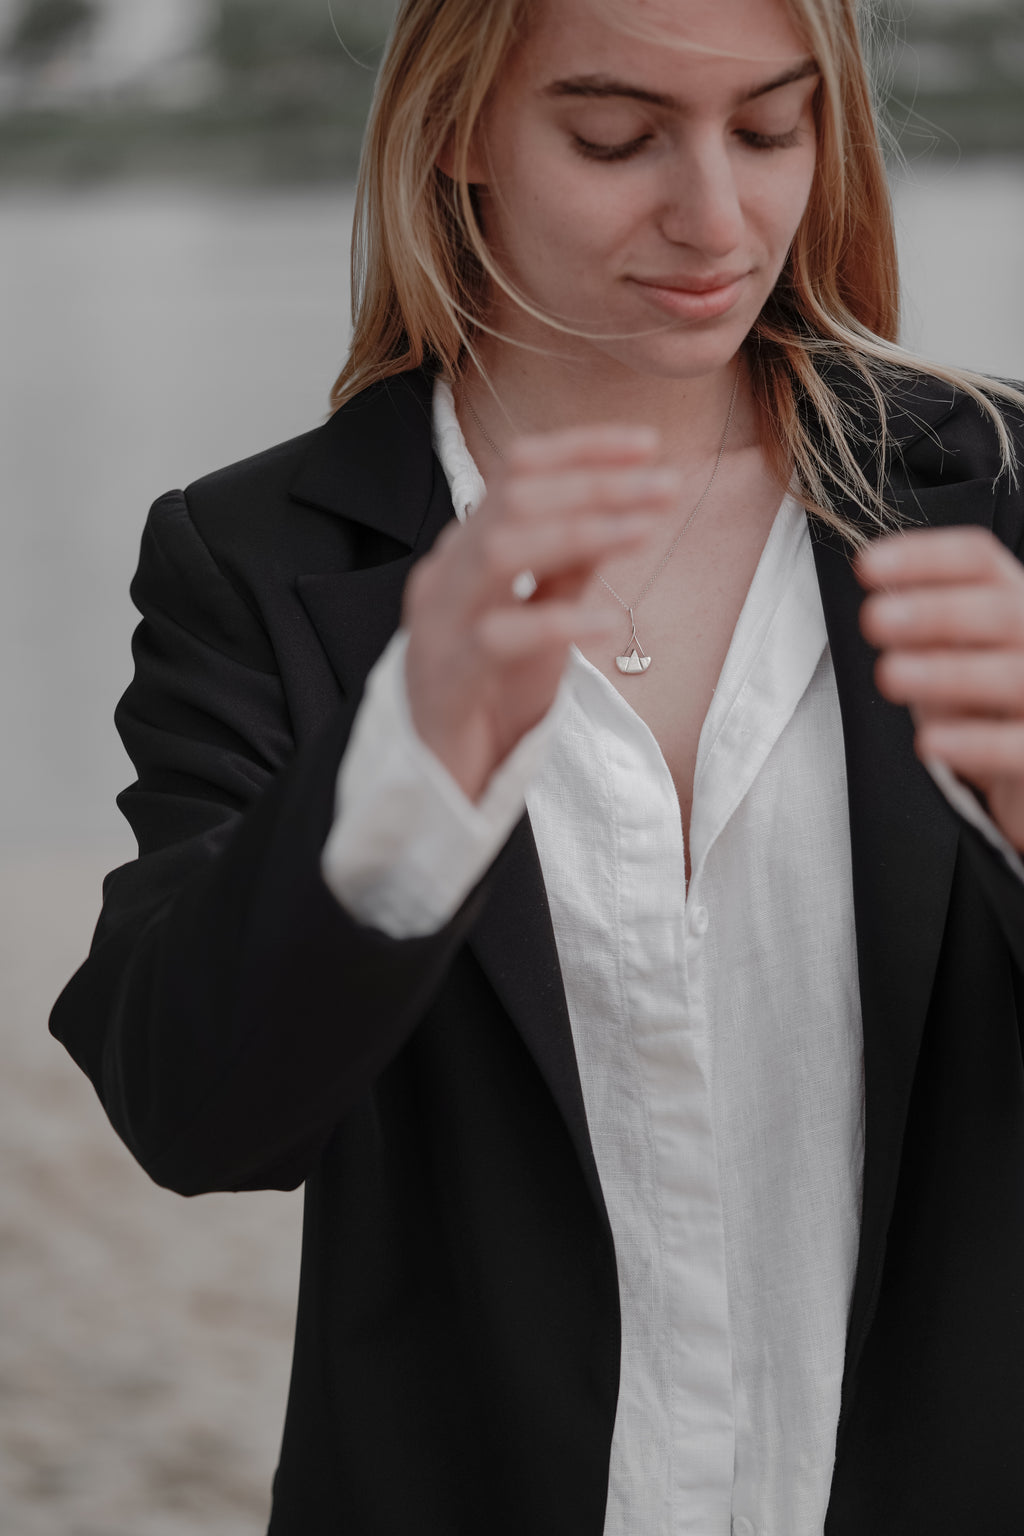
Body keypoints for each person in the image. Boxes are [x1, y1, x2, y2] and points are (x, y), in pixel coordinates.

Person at [49, 0, 1024, 1531]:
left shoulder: (1000, 497)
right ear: (456, 136)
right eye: (615, 136)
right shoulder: (255, 561)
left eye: (772, 129)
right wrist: (408, 774)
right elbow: (198, 1118)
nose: (717, 214)